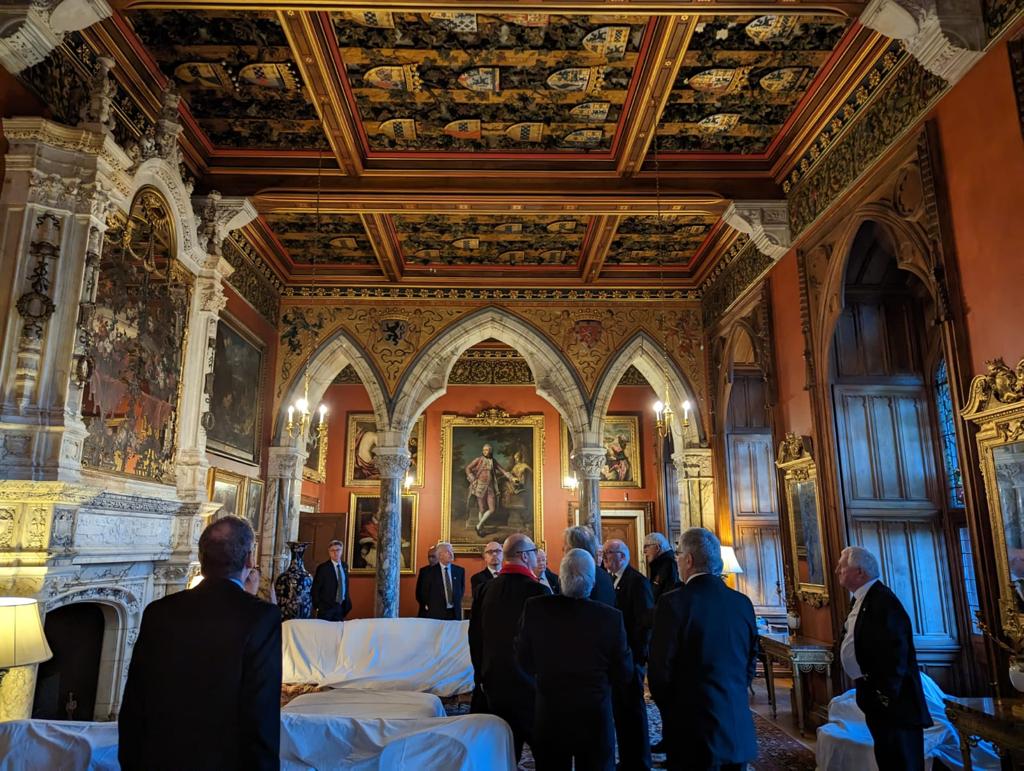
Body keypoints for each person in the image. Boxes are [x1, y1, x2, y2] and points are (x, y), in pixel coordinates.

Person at [119, 516, 281, 770]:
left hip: (158, 760)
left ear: (201, 557)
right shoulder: (262, 617)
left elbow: (134, 702)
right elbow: (261, 712)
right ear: (249, 559)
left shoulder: (159, 611)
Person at [649, 527, 757, 771]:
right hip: (736, 728)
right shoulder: (742, 603)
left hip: (692, 731)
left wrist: (673, 711)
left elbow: (659, 671)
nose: (676, 561)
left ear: (688, 560)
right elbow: (751, 660)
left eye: (678, 555)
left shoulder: (673, 603)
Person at [516, 548, 634, 771]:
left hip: (550, 713)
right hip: (595, 715)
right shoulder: (610, 618)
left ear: (560, 578)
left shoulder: (536, 609)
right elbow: (624, 672)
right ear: (592, 581)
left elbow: (523, 659)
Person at [837, 545, 931, 771]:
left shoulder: (883, 601)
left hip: (895, 702)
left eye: (842, 567)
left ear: (860, 572)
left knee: (902, 759)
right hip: (874, 693)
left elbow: (896, 651)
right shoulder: (862, 599)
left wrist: (885, 694)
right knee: (887, 756)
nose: (837, 571)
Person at [468, 533, 549, 761]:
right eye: (534, 552)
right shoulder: (538, 592)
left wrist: (480, 676)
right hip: (528, 687)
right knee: (545, 751)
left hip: (493, 683)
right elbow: (544, 643)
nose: (536, 556)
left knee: (500, 752)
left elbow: (475, 637)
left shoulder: (485, 589)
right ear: (524, 556)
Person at [604, 539, 653, 771]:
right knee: (622, 713)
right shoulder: (613, 580)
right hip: (620, 658)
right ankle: (628, 760)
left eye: (608, 553)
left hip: (632, 658)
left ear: (622, 556)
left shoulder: (637, 582)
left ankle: (639, 763)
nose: (605, 557)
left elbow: (644, 624)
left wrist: (637, 659)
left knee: (633, 713)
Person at [465, 443, 516, 536]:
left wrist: (512, 478)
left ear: (491, 451)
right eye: (484, 450)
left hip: (490, 487)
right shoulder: (478, 460)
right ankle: (481, 529)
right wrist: (472, 478)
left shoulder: (493, 461)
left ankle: (478, 526)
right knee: (482, 509)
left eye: (487, 450)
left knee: (492, 509)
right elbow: (468, 468)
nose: (486, 451)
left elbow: (503, 471)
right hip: (480, 487)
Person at [565, 525, 615, 606]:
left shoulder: (581, 575)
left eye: (566, 545)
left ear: (575, 549)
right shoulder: (602, 574)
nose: (563, 549)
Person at [416, 541, 466, 620]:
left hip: (454, 613)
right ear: (440, 555)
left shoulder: (459, 571)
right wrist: (429, 607)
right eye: (447, 551)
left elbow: (461, 590)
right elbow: (422, 594)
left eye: (452, 551)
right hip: (435, 614)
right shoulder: (428, 573)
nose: (451, 554)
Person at [311, 539, 352, 621]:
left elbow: (344, 584)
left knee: (339, 629)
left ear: (342, 551)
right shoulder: (323, 568)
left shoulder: (345, 566)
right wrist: (318, 606)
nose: (335, 553)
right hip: (326, 608)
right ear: (329, 552)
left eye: (338, 550)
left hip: (341, 607)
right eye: (332, 550)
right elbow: (315, 589)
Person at [643, 532, 680, 605]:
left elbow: (671, 595)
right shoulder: (659, 564)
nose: (644, 551)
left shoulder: (670, 564)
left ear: (657, 547)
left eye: (646, 546)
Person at [415, 545, 440, 617]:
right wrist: (424, 604)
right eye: (429, 557)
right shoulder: (423, 571)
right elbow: (418, 591)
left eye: (433, 557)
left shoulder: (444, 571)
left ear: (439, 557)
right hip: (425, 609)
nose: (430, 559)